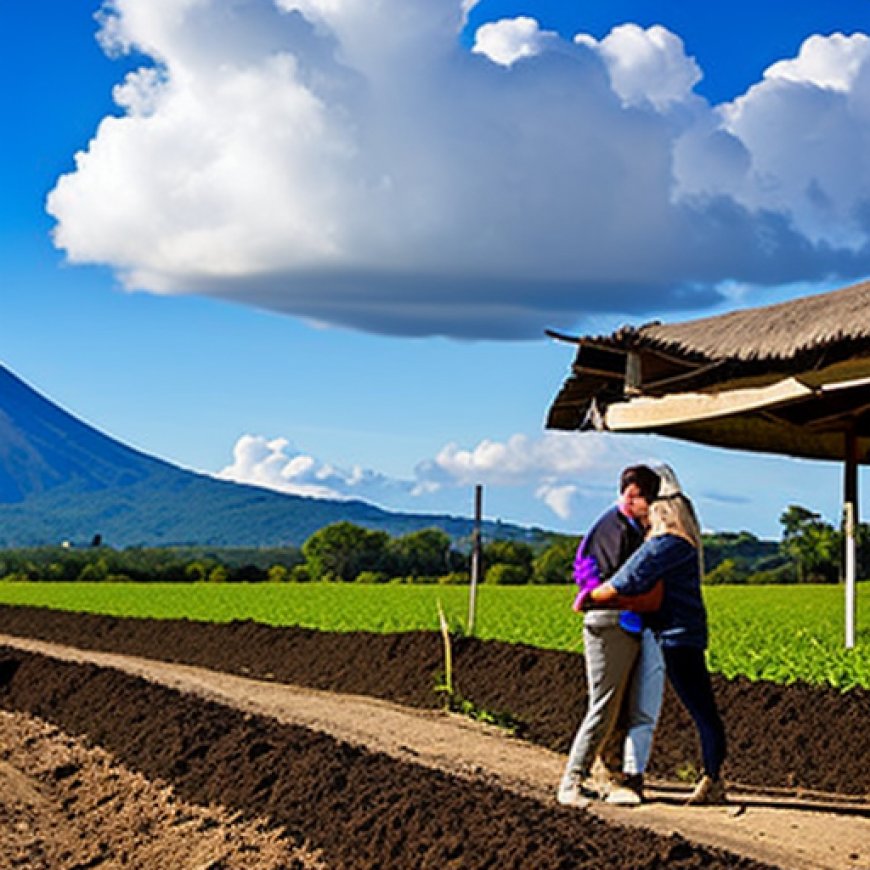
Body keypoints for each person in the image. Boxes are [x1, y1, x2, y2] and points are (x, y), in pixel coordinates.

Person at [580, 467, 728, 805]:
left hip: (673, 637)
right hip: (686, 634)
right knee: (702, 708)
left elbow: (627, 579)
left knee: (694, 708)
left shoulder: (665, 545)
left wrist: (590, 597)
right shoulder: (687, 544)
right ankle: (713, 777)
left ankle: (712, 780)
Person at [557, 464, 665, 808]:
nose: (653, 510)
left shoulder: (623, 526)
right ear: (633, 496)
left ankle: (609, 778)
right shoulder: (616, 530)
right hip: (611, 622)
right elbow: (616, 583)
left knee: (614, 707)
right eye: (650, 502)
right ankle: (571, 780)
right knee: (603, 706)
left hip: (623, 621)